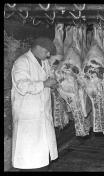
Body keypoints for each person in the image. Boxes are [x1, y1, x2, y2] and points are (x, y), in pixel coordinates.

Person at [11, 37, 59, 171]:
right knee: (29, 160)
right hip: (28, 118)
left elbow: (48, 78)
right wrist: (44, 84)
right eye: (46, 52)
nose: (49, 55)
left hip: (42, 116)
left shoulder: (43, 62)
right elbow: (22, 86)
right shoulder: (22, 62)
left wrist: (52, 84)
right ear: (37, 48)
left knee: (42, 159)